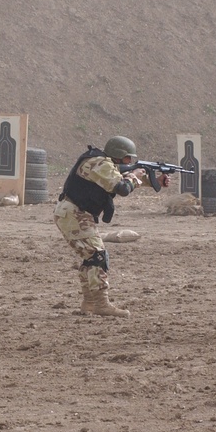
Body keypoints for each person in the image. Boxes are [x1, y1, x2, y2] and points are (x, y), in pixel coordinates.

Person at [53, 135, 167, 317]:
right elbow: (121, 188)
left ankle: (90, 303)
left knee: (91, 257)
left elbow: (116, 180)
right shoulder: (99, 163)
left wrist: (152, 181)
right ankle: (101, 305)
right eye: (129, 158)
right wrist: (135, 177)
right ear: (118, 155)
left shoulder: (102, 164)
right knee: (97, 256)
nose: (131, 161)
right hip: (74, 213)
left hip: (74, 213)